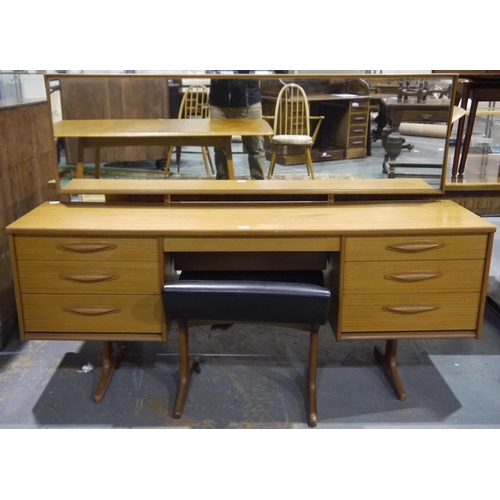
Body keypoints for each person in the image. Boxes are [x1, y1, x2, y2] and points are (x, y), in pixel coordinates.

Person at [209, 71, 266, 180]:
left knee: (256, 146)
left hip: (250, 100)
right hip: (219, 102)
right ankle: (222, 183)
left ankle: (259, 185)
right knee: (219, 147)